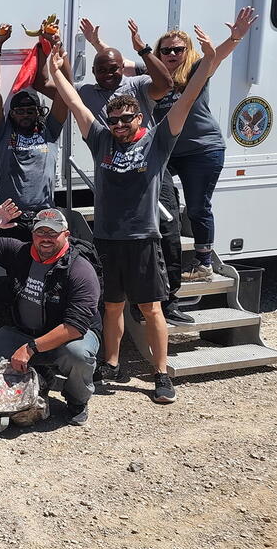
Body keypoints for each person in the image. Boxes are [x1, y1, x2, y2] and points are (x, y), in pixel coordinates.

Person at [47, 34, 215, 405]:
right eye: (114, 119)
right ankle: (111, 363)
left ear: (140, 117)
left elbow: (186, 98)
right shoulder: (102, 140)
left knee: (150, 307)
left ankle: (160, 373)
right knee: (110, 305)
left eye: (126, 118)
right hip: (106, 238)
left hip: (143, 239)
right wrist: (54, 71)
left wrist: (218, 53)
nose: (119, 124)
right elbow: (75, 103)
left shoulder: (157, 140)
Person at [87, 9, 258, 281]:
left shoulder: (194, 70)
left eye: (177, 49)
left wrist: (234, 38)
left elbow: (217, 56)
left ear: (187, 51)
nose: (171, 55)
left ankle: (203, 262)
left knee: (198, 206)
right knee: (162, 195)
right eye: (165, 51)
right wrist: (96, 43)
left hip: (201, 149)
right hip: (169, 150)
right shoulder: (150, 72)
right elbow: (117, 65)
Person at [76, 19, 193, 326]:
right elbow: (67, 93)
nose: (109, 73)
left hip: (149, 162)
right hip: (115, 170)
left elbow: (165, 83)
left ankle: (170, 300)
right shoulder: (88, 92)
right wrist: (56, 59)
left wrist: (141, 47)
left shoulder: (136, 84)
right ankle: (138, 303)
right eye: (102, 70)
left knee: (168, 229)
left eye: (114, 69)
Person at [0, 201, 101, 425]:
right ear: (33, 234)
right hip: (26, 331)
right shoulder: (19, 251)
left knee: (79, 355)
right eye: (40, 232)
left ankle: (77, 399)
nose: (45, 238)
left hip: (69, 336)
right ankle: (40, 377)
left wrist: (30, 348)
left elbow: (75, 326)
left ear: (65, 234)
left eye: (52, 233)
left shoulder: (80, 270)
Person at [0, 24, 68, 239]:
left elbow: (67, 91)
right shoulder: (2, 132)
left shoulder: (49, 130)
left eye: (29, 110)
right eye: (19, 111)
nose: (24, 114)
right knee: (15, 271)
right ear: (11, 114)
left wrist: (58, 45)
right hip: (10, 218)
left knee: (45, 271)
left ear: (38, 111)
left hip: (45, 217)